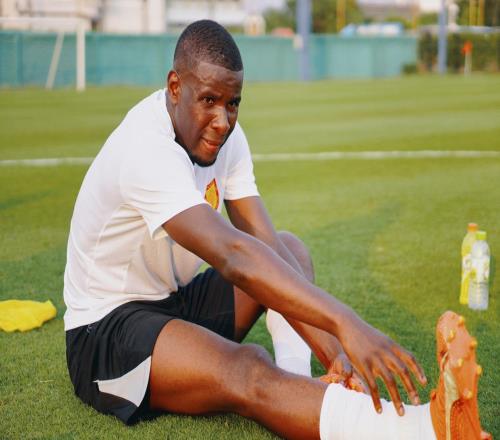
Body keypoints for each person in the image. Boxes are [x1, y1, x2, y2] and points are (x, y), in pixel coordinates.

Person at [63, 20, 490, 439]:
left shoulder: (226, 138)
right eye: (209, 100)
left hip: (172, 303)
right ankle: (425, 430)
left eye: (233, 103)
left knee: (290, 251)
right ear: (175, 87)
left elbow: (264, 243)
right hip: (105, 335)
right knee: (246, 369)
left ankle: (308, 383)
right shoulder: (145, 147)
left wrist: (335, 354)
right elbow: (233, 255)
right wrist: (346, 323)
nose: (222, 120)